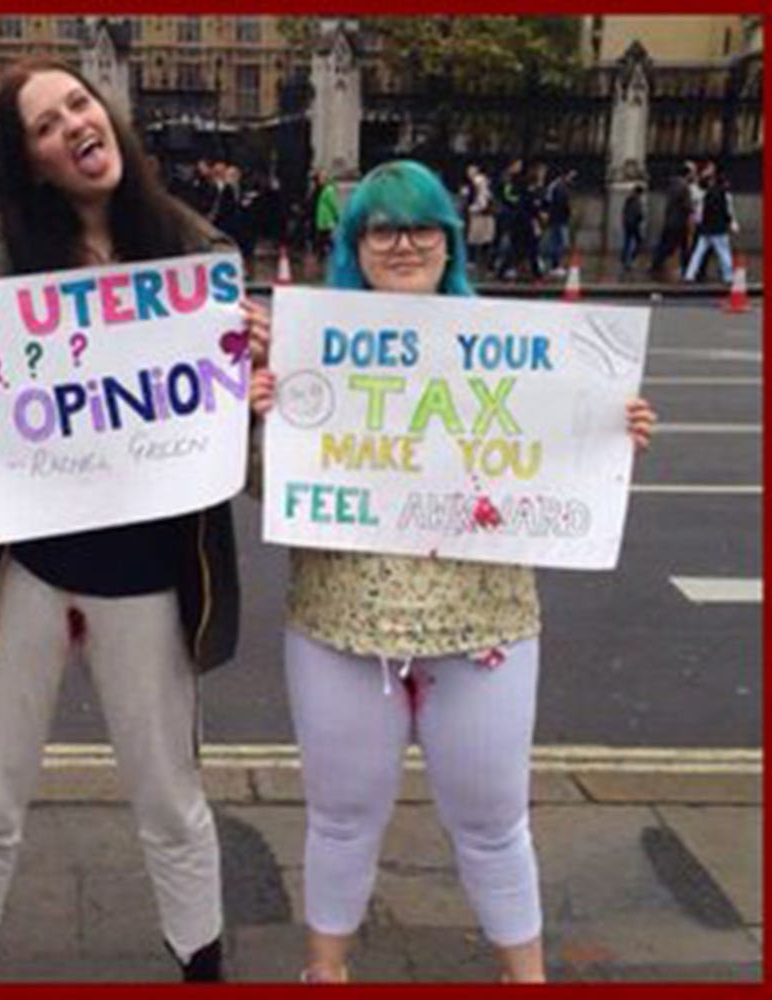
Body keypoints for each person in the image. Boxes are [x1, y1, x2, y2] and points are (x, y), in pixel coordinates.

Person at [0, 57, 252, 983]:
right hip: (20, 574)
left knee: (171, 800)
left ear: (107, 118)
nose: (72, 124)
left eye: (78, 103)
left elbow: (239, 457)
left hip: (152, 576)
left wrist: (256, 385)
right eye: (45, 124)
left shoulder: (199, 258)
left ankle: (202, 964)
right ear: (30, 160)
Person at [248, 160, 657, 984]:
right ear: (355, 244)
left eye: (423, 226)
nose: (405, 244)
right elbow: (268, 490)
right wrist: (261, 420)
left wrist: (614, 429)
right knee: (341, 817)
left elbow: (553, 456)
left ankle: (526, 975)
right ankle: (325, 971)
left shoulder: (513, 344)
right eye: (383, 229)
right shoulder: (306, 346)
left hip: (484, 625)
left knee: (494, 821)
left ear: (449, 238)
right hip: (340, 622)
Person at [683, 163, 737, 284]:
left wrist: (699, 221)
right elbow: (726, 211)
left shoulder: (707, 195)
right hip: (718, 229)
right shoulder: (723, 195)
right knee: (724, 252)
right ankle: (728, 276)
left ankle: (689, 274)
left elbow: (701, 211)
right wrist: (730, 223)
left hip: (706, 228)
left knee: (698, 252)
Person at [650, 163, 694, 281]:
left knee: (667, 244)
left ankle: (658, 262)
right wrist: (692, 211)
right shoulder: (684, 186)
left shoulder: (673, 184)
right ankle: (686, 266)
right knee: (677, 245)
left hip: (671, 219)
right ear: (687, 174)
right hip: (679, 221)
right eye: (691, 173)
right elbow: (687, 205)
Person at [463, 163, 495, 272]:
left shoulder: (478, 181)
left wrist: (473, 208)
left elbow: (481, 199)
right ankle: (482, 262)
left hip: (479, 214)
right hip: (483, 213)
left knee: (476, 237)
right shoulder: (477, 183)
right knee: (482, 238)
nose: (469, 173)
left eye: (472, 170)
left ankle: (474, 261)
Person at [543, 169, 576, 275]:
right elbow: (563, 203)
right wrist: (569, 212)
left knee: (555, 241)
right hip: (560, 219)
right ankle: (555, 265)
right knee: (560, 243)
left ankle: (553, 264)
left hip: (555, 218)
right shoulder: (560, 187)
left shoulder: (555, 185)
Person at [620, 183, 646, 275]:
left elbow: (624, 211)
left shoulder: (629, 199)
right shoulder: (637, 201)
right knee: (638, 242)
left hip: (627, 223)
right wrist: (641, 218)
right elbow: (638, 213)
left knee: (627, 241)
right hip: (634, 224)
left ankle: (625, 258)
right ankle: (629, 260)